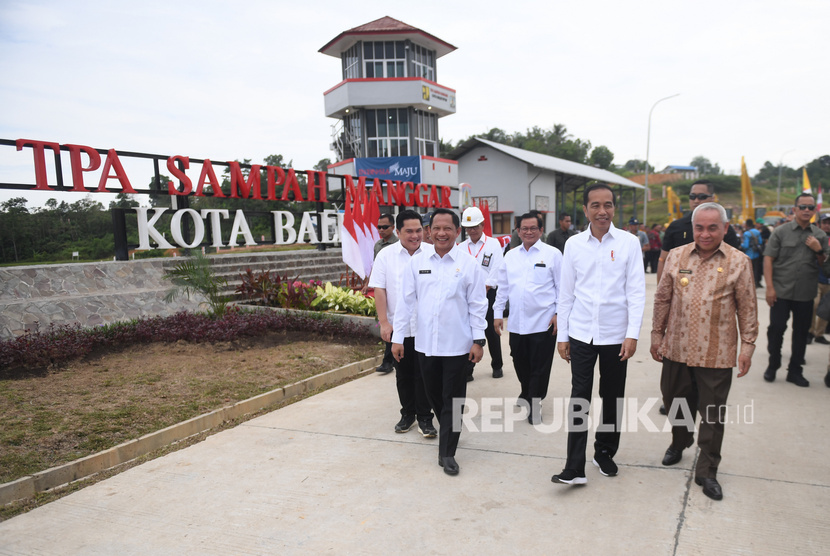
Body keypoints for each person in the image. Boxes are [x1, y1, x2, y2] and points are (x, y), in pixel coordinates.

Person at [651, 202, 758, 501]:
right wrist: (656, 335)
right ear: (693, 228)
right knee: (674, 402)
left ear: (725, 228)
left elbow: (748, 308)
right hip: (676, 348)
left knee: (712, 415)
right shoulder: (676, 255)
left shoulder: (739, 262)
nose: (706, 233)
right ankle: (681, 440)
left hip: (717, 352)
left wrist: (747, 346)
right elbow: (662, 299)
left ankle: (708, 470)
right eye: (700, 227)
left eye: (713, 227)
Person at [551, 183, 646, 485]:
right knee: (580, 397)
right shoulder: (574, 245)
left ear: (614, 208)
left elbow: (636, 292)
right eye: (595, 205)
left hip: (616, 335)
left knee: (612, 395)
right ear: (586, 210)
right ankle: (574, 467)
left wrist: (632, 334)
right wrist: (562, 336)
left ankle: (604, 452)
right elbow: (565, 294)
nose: (602, 211)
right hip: (581, 334)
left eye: (608, 205)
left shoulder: (629, 243)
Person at [392, 208, 488, 476]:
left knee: (453, 400)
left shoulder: (468, 264)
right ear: (428, 231)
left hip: (458, 346)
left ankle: (447, 452)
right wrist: (398, 338)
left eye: (448, 228)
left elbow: (478, 305)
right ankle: (449, 428)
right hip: (426, 346)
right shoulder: (417, 262)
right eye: (436, 228)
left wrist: (479, 340)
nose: (442, 233)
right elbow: (405, 303)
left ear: (457, 232)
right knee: (436, 397)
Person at [369, 210, 437, 438]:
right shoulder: (386, 256)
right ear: (398, 232)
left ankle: (425, 419)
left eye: (419, 230)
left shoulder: (433, 253)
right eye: (409, 231)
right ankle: (408, 414)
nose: (415, 235)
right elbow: (379, 288)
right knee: (404, 374)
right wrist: (384, 322)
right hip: (399, 329)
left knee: (426, 374)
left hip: (428, 328)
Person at [493, 212, 562, 424]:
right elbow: (502, 287)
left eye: (533, 228)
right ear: (518, 231)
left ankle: (534, 402)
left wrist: (559, 314)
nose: (529, 232)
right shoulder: (510, 256)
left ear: (541, 230)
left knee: (540, 365)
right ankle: (527, 392)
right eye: (525, 228)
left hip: (543, 321)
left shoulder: (553, 254)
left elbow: (563, 288)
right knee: (520, 361)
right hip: (517, 322)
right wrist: (497, 314)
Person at [763, 194, 829, 387]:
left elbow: (826, 268)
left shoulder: (820, 236)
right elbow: (768, 259)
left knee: (800, 333)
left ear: (814, 211)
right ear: (795, 209)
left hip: (805, 293)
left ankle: (795, 371)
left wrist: (818, 250)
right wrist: (769, 288)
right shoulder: (780, 232)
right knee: (776, 329)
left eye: (810, 207)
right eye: (802, 207)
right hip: (781, 291)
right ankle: (773, 364)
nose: (806, 210)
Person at [657, 180, 740, 283]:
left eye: (701, 196)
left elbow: (735, 262)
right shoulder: (676, 227)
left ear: (712, 198)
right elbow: (663, 260)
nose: (696, 200)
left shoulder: (724, 229)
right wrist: (661, 289)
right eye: (692, 196)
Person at [460, 206, 505, 380]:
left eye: (475, 226)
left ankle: (497, 365)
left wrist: (484, 288)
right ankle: (468, 369)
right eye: (469, 227)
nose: (472, 230)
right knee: (469, 331)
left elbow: (497, 269)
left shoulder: (493, 244)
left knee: (491, 332)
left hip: (489, 294)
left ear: (482, 225)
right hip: (467, 296)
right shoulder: (461, 247)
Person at [807, 214, 830, 345]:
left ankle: (820, 334)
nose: (827, 225)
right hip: (816, 277)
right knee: (814, 305)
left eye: (829, 223)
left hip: (828, 279)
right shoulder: (815, 237)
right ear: (820, 224)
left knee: (826, 308)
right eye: (825, 222)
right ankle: (810, 331)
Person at [742, 219, 764, 288]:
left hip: (749, 254)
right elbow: (760, 242)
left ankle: (749, 283)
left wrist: (740, 245)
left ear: (747, 225)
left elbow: (746, 245)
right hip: (756, 254)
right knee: (756, 269)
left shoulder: (746, 234)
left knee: (749, 270)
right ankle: (756, 282)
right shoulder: (757, 232)